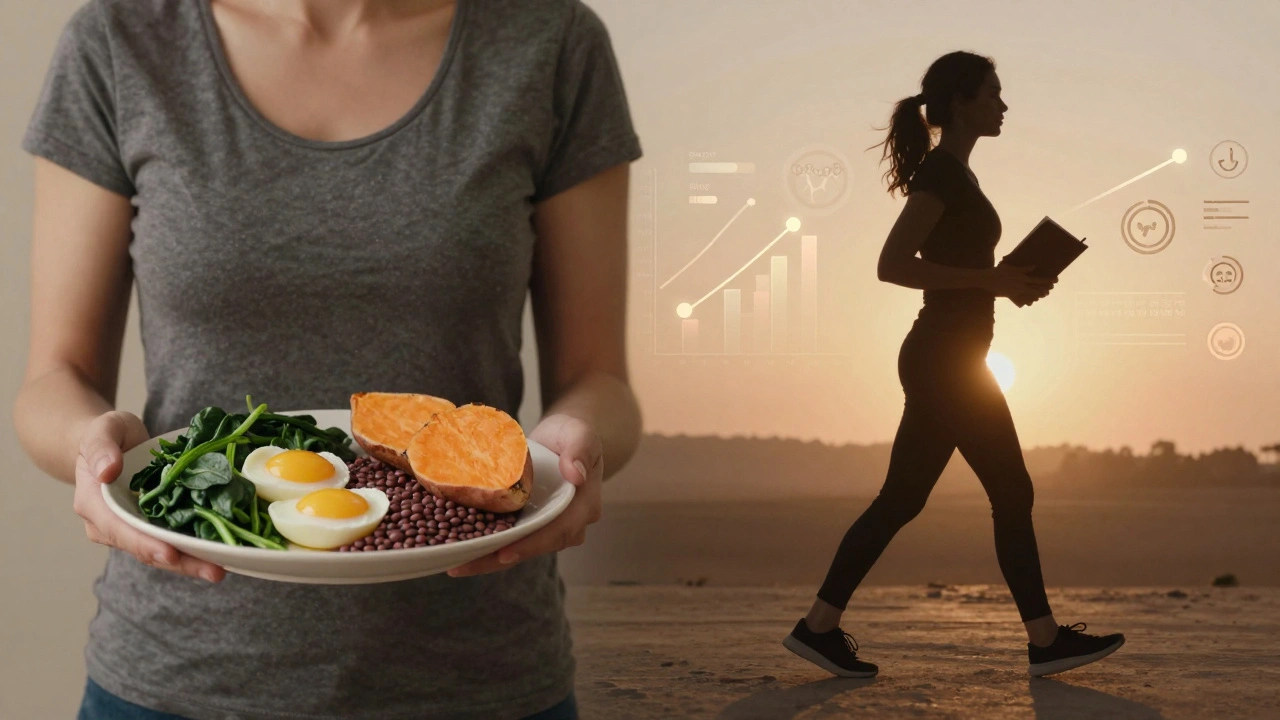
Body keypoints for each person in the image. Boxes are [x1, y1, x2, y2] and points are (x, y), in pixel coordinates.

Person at [13, 0, 643, 717]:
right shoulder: (121, 42)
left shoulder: (552, 42)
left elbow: (600, 382)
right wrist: (88, 448)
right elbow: (52, 382)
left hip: (481, 675)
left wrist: (578, 451)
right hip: (177, 675)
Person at [781, 51, 1124, 679]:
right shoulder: (940, 173)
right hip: (945, 360)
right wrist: (994, 280)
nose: (1004, 104)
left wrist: (1010, 282)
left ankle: (818, 628)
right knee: (1011, 489)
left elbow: (964, 276)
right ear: (962, 102)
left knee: (901, 499)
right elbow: (892, 264)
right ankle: (1045, 642)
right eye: (994, 93)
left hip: (951, 357)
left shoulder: (958, 175)